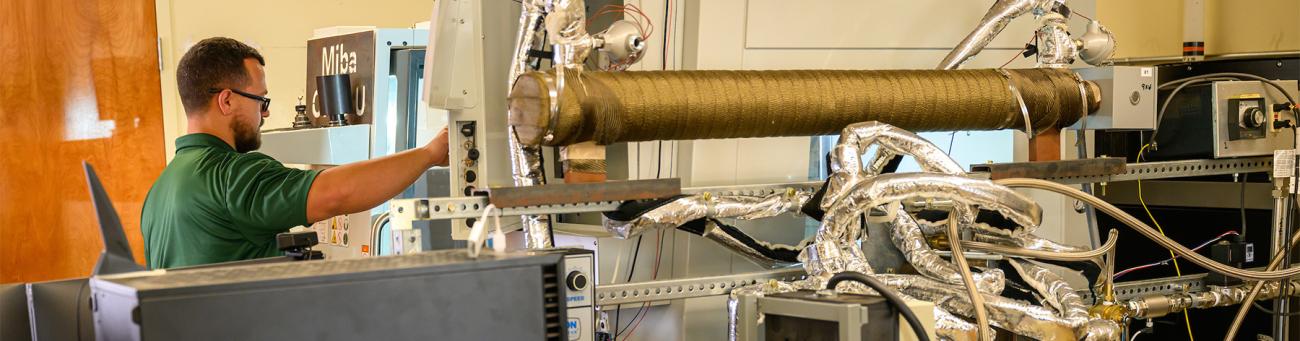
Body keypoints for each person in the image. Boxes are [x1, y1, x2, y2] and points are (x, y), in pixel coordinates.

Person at [141, 37, 449, 269]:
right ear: (227, 101)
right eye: (261, 101)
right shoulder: (232, 175)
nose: (266, 114)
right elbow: (335, 194)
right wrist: (431, 153)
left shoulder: (159, 191)